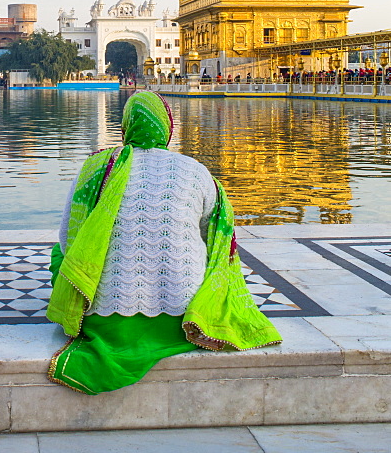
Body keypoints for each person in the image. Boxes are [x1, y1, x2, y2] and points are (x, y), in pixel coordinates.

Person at [47, 90, 280, 394]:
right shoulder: (196, 171)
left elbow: (67, 241)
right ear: (168, 128)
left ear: (125, 127)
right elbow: (216, 243)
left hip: (103, 318)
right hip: (185, 319)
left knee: (59, 254)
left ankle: (84, 311)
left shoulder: (98, 166)